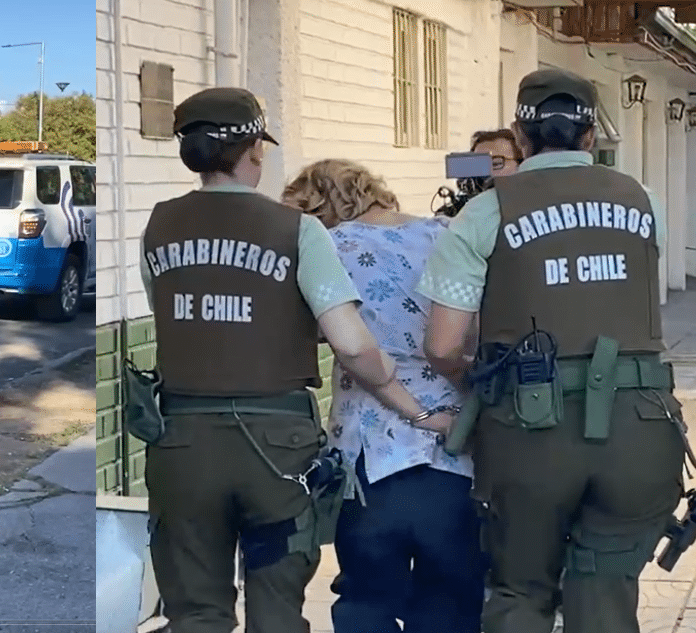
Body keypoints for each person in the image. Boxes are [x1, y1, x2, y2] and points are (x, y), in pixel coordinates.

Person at [136, 86, 455, 633]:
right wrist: (403, 393)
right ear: (254, 150)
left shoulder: (158, 225)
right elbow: (353, 345)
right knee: (278, 611)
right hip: (275, 449)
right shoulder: (297, 230)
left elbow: (169, 312)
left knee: (193, 612)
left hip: (181, 441)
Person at [416, 68, 686, 633]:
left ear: (519, 134)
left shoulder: (487, 210)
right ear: (591, 136)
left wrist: (481, 379)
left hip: (528, 430)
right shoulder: (644, 201)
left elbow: (442, 344)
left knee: (520, 590)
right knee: (607, 593)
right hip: (638, 426)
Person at [283, 159, 487, 633]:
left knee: (366, 597)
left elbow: (329, 337)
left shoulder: (327, 247)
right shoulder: (447, 232)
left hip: (369, 453)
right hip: (456, 446)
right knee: (452, 596)